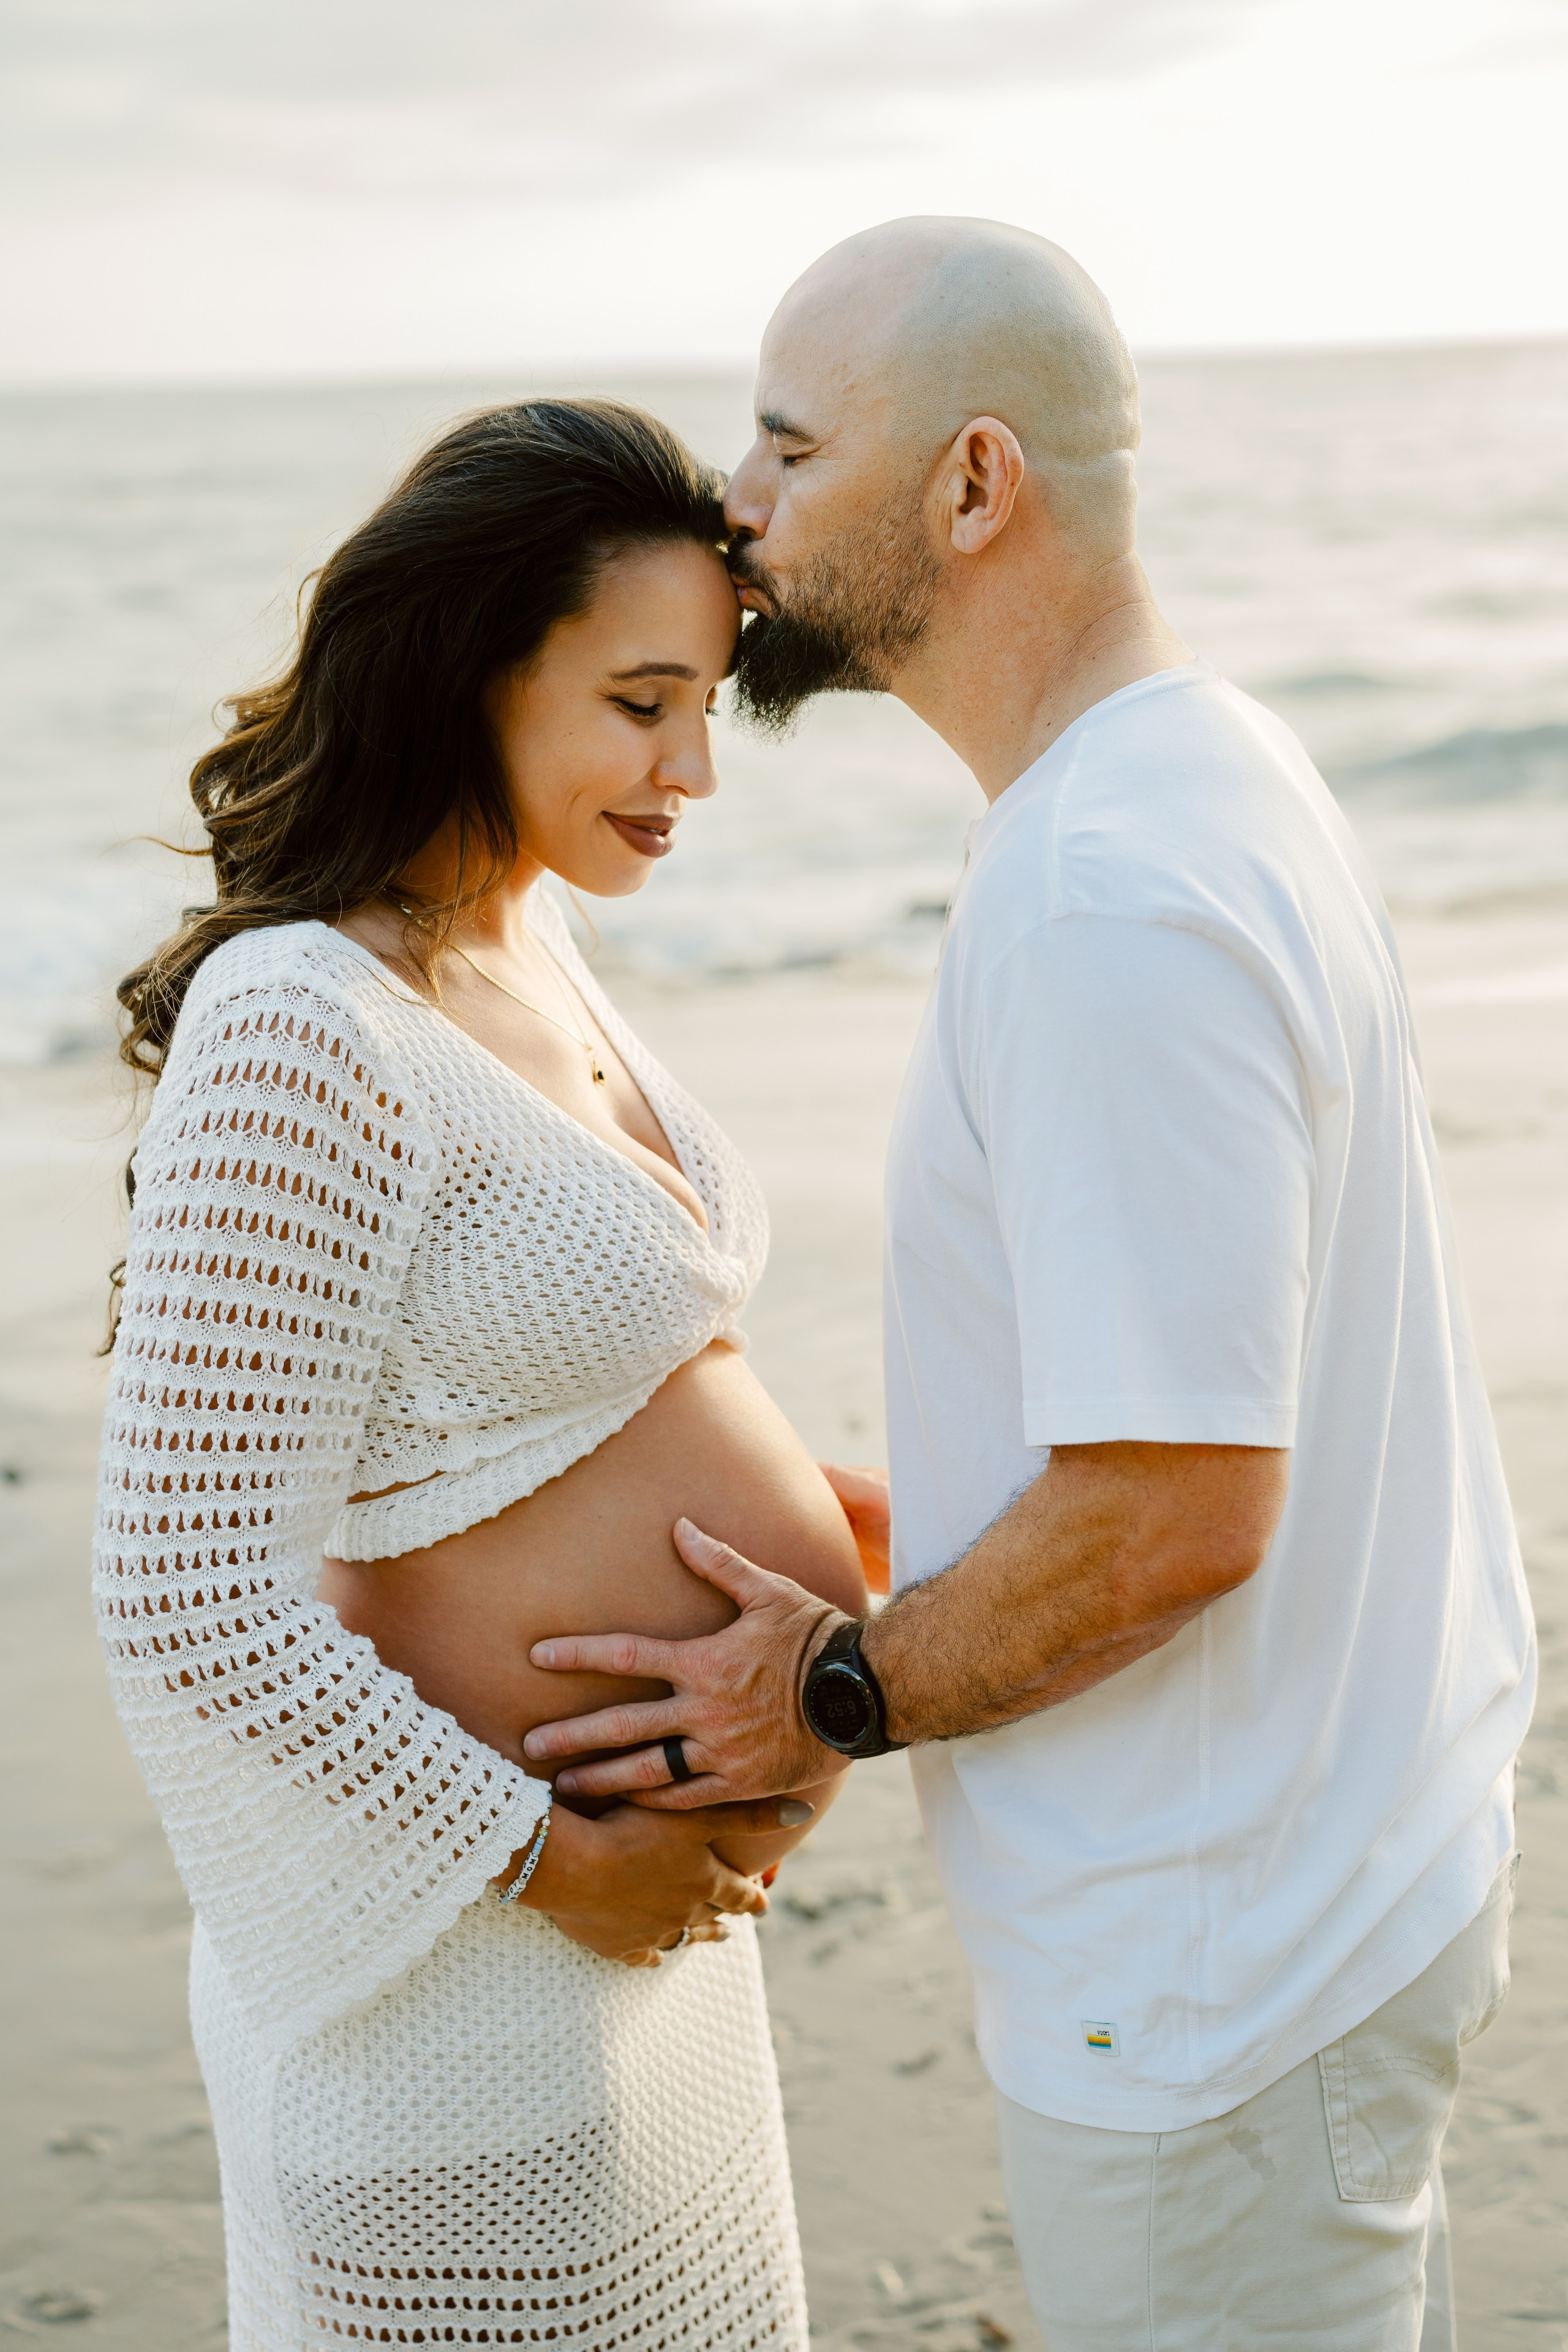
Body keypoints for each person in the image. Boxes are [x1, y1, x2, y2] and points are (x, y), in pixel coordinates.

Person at [521, 222, 1538, 2350]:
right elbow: (1226, 1380)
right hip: (1323, 1890)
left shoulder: (1106, 889)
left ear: (974, 487)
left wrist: (833, 1686)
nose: (740, 507)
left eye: (792, 452)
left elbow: (1178, 1510)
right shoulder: (1202, 769)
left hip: (1213, 1987)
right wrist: (948, 1507)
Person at [92, 397, 871, 2352]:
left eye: (708, 701)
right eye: (640, 702)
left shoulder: (524, 937)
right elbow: (183, 1589)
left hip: (642, 1959)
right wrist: (544, 1858)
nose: (694, 765)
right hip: (467, 1976)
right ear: (469, 671)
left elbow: (554, 1403)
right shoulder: (297, 1018)